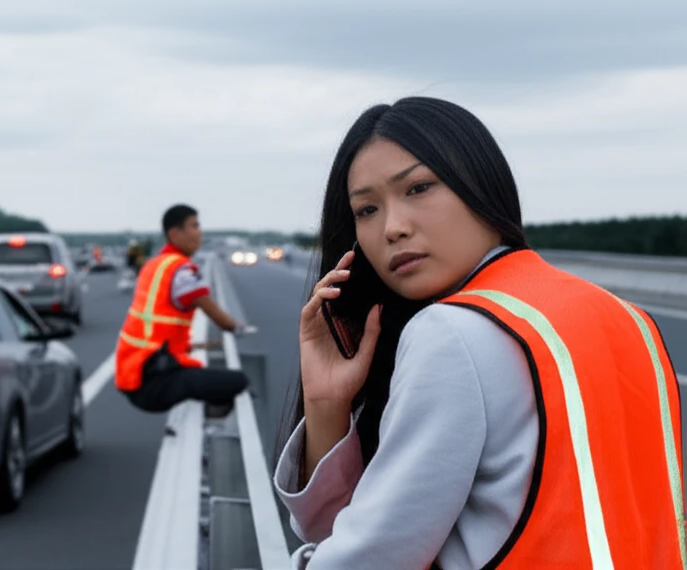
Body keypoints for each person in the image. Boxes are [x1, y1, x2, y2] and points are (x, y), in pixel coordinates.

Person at [272, 97, 684, 569]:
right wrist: (328, 403)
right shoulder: (630, 318)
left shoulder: (453, 332)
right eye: (366, 210)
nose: (393, 228)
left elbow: (367, 556)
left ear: (481, 183)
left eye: (419, 187)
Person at [115, 204, 254, 415]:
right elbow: (220, 318)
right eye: (194, 226)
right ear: (174, 233)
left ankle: (211, 410)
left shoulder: (154, 264)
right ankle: (213, 414)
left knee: (205, 377)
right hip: (152, 380)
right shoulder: (182, 271)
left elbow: (155, 326)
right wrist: (239, 328)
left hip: (133, 374)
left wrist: (193, 345)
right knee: (239, 381)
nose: (199, 233)